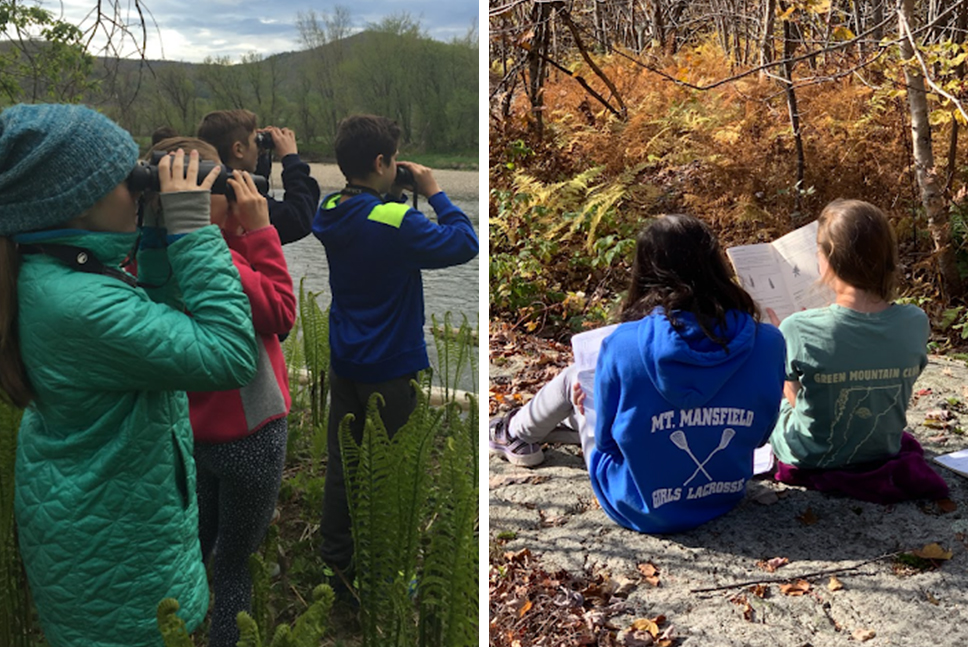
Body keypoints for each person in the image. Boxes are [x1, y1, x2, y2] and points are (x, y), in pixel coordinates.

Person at [0, 104, 258, 646]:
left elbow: (159, 327)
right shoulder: (78, 304)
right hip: (118, 561)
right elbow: (229, 353)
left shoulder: (56, 271)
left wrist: (162, 239)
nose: (141, 189)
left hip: (110, 528)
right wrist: (193, 228)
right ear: (77, 203)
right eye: (129, 179)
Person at [489, 214, 786, 534]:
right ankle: (533, 431)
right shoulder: (769, 341)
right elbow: (760, 436)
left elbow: (606, 442)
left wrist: (587, 405)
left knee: (576, 376)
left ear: (645, 271)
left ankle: (513, 432)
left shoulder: (623, 345)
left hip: (633, 504)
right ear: (716, 265)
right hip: (721, 496)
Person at [311, 114, 478, 594]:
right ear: (384, 161)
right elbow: (464, 243)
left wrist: (393, 195)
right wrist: (435, 191)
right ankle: (386, 575)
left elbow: (375, 223)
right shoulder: (397, 221)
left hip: (346, 362)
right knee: (392, 472)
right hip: (391, 368)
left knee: (344, 468)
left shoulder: (332, 209)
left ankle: (336, 567)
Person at [149, 137, 296, 647]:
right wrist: (259, 229)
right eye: (222, 186)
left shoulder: (150, 264)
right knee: (236, 563)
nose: (237, 194)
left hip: (192, 437)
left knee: (196, 545)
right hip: (252, 435)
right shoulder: (221, 268)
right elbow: (281, 312)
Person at [767, 199, 949, 503]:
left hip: (810, 454)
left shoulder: (797, 327)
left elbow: (798, 401)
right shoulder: (915, 321)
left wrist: (779, 342)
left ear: (827, 259)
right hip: (883, 449)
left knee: (777, 390)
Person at [197, 109, 320, 244]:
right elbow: (299, 218)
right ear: (238, 149)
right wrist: (291, 159)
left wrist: (260, 155)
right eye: (256, 141)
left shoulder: (208, 183)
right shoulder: (236, 193)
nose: (258, 147)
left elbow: (258, 188)